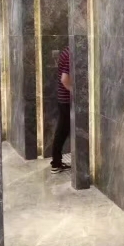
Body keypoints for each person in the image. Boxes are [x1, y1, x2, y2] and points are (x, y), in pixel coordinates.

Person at [51, 46, 72, 174]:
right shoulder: (70, 54)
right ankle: (56, 163)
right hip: (67, 100)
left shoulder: (65, 51)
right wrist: (75, 91)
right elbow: (64, 79)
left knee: (62, 131)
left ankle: (56, 162)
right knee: (62, 131)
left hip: (63, 99)